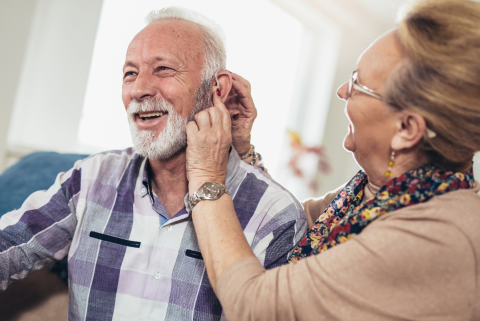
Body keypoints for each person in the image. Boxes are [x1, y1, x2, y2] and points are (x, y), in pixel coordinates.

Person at [0, 7, 307, 320]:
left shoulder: (276, 214)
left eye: (163, 69)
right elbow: (9, 245)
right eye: (130, 73)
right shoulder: (91, 178)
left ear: (217, 89)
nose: (139, 89)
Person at [185, 0, 480, 320]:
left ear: (406, 129)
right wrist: (243, 153)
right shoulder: (377, 196)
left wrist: (206, 177)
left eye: (357, 83)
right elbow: (289, 225)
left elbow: (257, 305)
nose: (342, 91)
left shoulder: (436, 237)